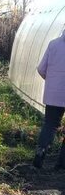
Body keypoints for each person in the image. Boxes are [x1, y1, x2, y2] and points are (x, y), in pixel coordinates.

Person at [34, 28, 65, 169]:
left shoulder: (53, 44)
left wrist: (53, 81)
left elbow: (41, 69)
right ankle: (62, 163)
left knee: (50, 124)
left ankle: (41, 152)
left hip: (54, 94)